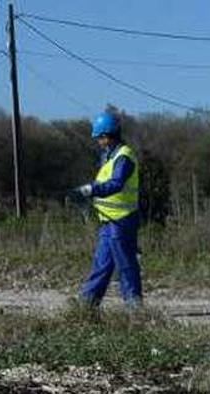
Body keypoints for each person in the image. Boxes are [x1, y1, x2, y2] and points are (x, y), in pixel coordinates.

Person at [72, 111, 142, 309]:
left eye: (99, 138)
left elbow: (116, 184)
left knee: (125, 264)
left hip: (122, 221)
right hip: (108, 221)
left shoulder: (124, 157)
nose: (98, 142)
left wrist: (91, 189)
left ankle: (134, 307)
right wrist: (85, 192)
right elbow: (102, 183)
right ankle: (87, 305)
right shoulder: (109, 157)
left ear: (107, 136)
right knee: (101, 264)